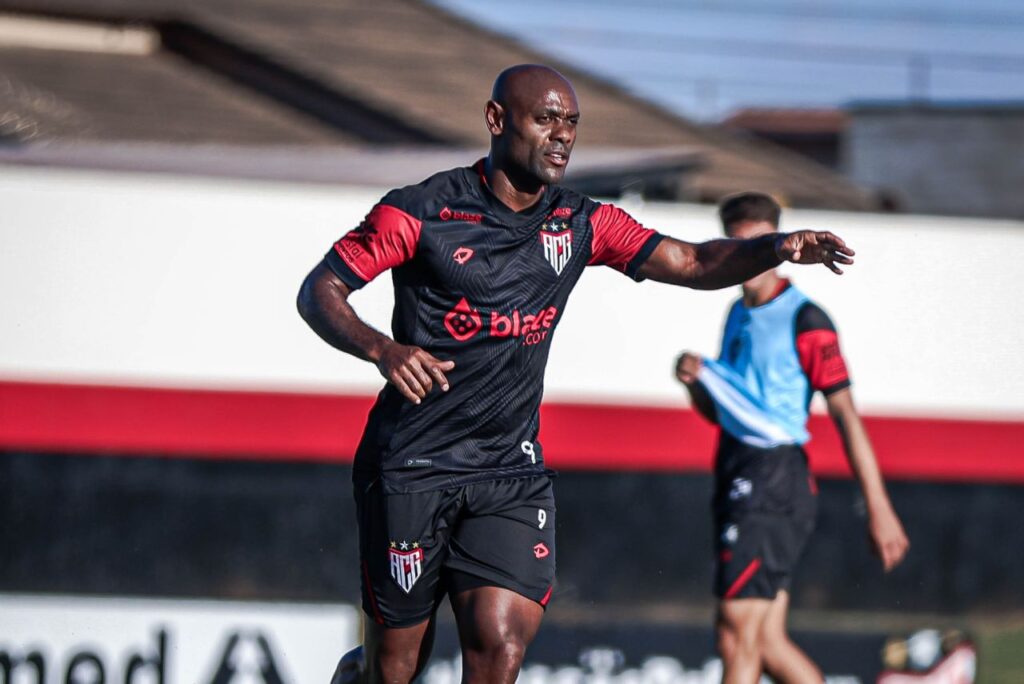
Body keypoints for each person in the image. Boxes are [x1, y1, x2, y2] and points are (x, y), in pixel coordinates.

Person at [297, 65, 854, 684]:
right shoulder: (420, 210)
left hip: (510, 472)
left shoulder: (582, 222)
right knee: (396, 668)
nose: (561, 136)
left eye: (571, 124)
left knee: (500, 642)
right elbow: (320, 290)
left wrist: (775, 247)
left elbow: (692, 260)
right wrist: (382, 348)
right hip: (411, 466)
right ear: (496, 119)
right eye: (545, 119)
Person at [674, 192, 909, 684]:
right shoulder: (737, 315)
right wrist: (697, 386)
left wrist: (879, 506)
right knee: (768, 643)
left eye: (759, 244)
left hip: (774, 481)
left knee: (735, 635)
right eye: (738, 246)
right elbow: (724, 413)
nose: (750, 257)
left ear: (777, 243)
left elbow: (845, 414)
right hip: (736, 470)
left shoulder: (807, 319)